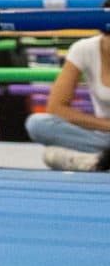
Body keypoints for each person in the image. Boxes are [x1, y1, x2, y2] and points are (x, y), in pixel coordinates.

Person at [29, 30, 110, 171]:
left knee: (52, 154)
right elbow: (56, 108)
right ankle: (100, 159)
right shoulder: (84, 49)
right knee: (38, 124)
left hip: (102, 139)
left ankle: (94, 160)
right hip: (102, 135)